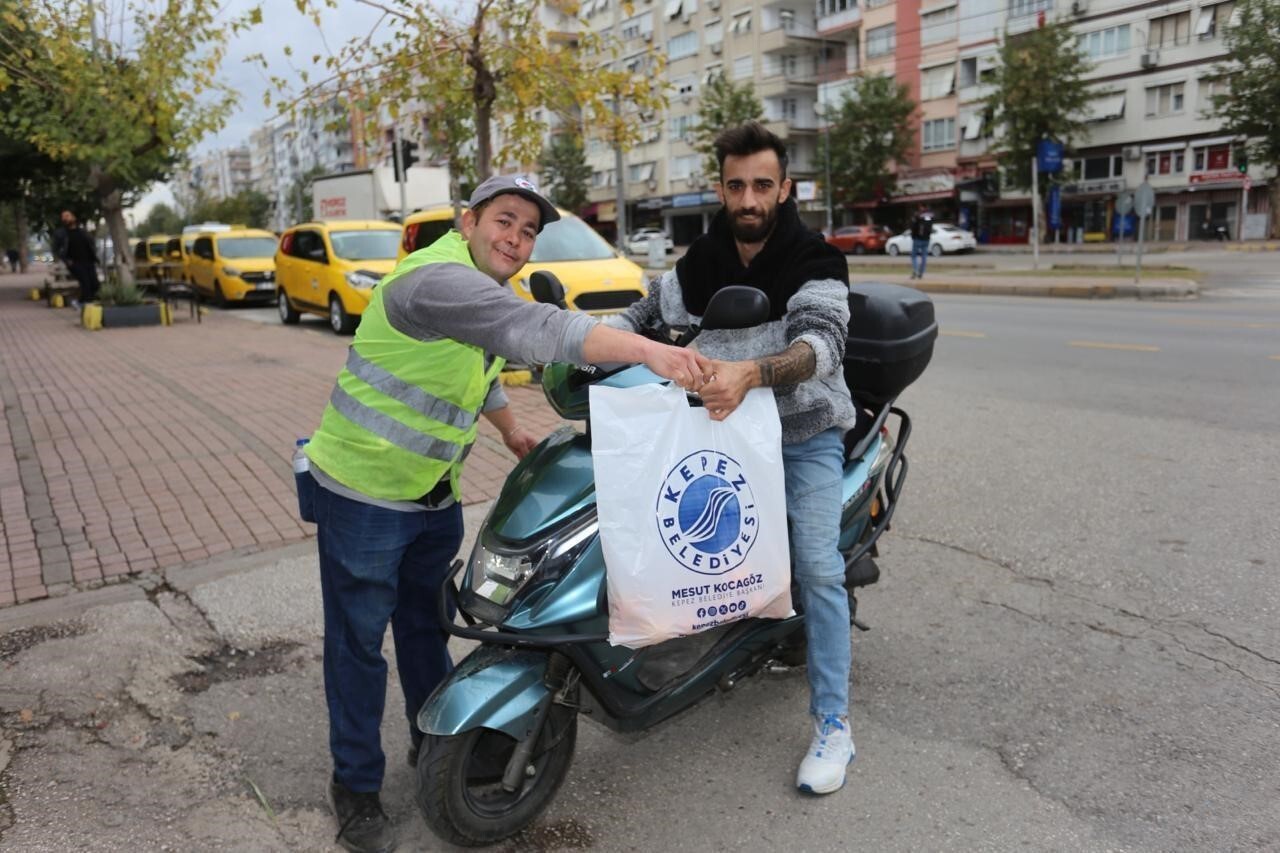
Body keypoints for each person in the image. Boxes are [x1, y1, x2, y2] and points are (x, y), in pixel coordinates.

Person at [301, 174, 710, 853]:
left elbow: (479, 361)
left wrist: (508, 430)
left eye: (527, 231)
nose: (515, 238)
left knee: (426, 627)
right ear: (468, 222)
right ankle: (355, 787)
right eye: (505, 221)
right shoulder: (432, 280)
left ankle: (431, 740)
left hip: (431, 492)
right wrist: (651, 351)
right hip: (364, 492)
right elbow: (536, 330)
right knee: (356, 647)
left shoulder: (475, 288)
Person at [605, 121, 859, 795]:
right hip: (722, 434)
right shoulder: (703, 259)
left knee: (818, 568)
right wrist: (593, 346)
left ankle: (834, 723)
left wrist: (754, 372)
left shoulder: (814, 257)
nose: (749, 199)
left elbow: (821, 344)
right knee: (677, 538)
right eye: (737, 185)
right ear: (720, 188)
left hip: (801, 431)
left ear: (785, 188)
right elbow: (644, 315)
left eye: (762, 185)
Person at [59, 211, 100, 306]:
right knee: (86, 283)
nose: (66, 218)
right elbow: (58, 249)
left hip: (89, 261)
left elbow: (91, 245)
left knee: (95, 283)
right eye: (64, 217)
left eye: (68, 216)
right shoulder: (62, 234)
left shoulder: (82, 232)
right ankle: (85, 304)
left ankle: (83, 302)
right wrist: (67, 261)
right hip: (75, 263)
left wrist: (94, 258)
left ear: (73, 217)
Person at [909, 203, 933, 280]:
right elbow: (930, 226)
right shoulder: (929, 216)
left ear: (920, 207)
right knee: (924, 257)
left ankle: (915, 271)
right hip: (926, 239)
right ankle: (921, 273)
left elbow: (913, 226)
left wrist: (913, 236)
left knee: (913, 256)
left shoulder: (917, 215)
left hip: (917, 239)